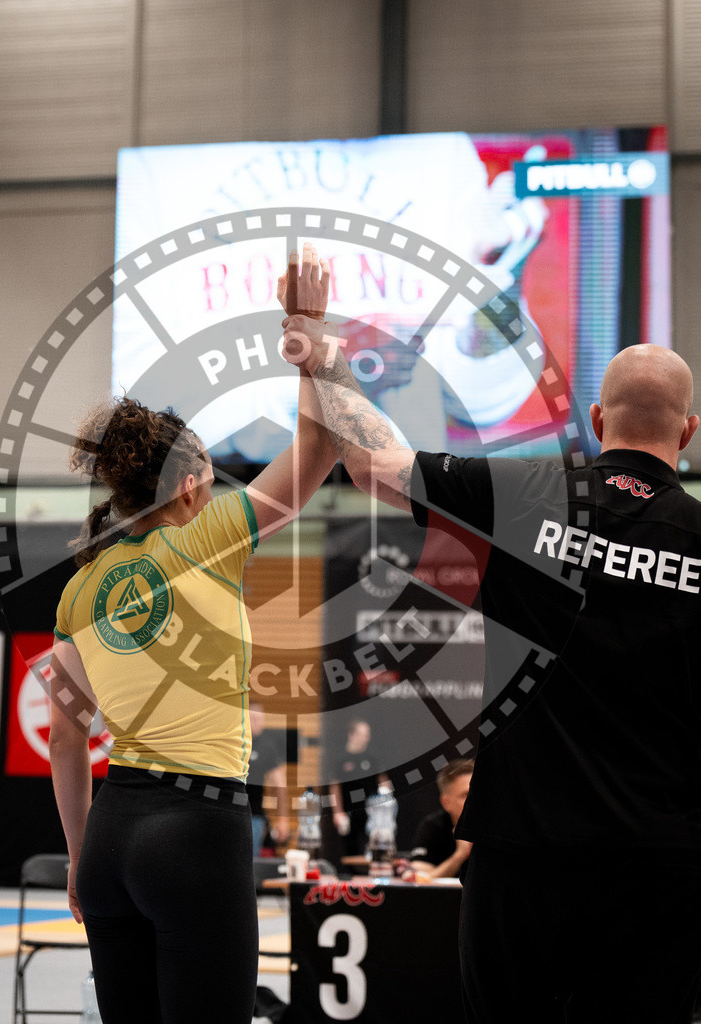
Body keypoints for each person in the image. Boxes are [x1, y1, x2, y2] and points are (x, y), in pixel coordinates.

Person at [282, 313, 701, 1023]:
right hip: (661, 862)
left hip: (521, 854)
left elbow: (369, 465)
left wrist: (323, 354)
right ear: (686, 432)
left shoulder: (525, 492)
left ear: (597, 419)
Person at [47, 244, 334, 1024]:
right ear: (189, 484)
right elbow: (321, 446)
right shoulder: (207, 538)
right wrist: (306, 332)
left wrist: (80, 858)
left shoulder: (80, 587)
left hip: (111, 834)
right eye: (208, 470)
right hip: (194, 836)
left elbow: (67, 743)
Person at [328, 718, 390, 858]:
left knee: (375, 847)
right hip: (349, 812)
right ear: (352, 734)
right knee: (350, 849)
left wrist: (386, 803)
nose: (366, 738)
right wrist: (337, 813)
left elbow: (384, 782)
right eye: (362, 734)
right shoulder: (340, 760)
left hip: (371, 812)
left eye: (367, 734)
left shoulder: (372, 758)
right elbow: (334, 788)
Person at [407, 758, 473, 881]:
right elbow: (421, 879)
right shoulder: (433, 826)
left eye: (478, 794)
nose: (474, 801)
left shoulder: (498, 825)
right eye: (465, 795)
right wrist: (460, 855)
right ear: (446, 802)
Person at [246, 703, 289, 857]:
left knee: (251, 862)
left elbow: (280, 786)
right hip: (229, 811)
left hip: (254, 816)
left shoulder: (266, 747)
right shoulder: (235, 744)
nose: (257, 723)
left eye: (260, 719)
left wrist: (283, 820)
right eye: (253, 718)